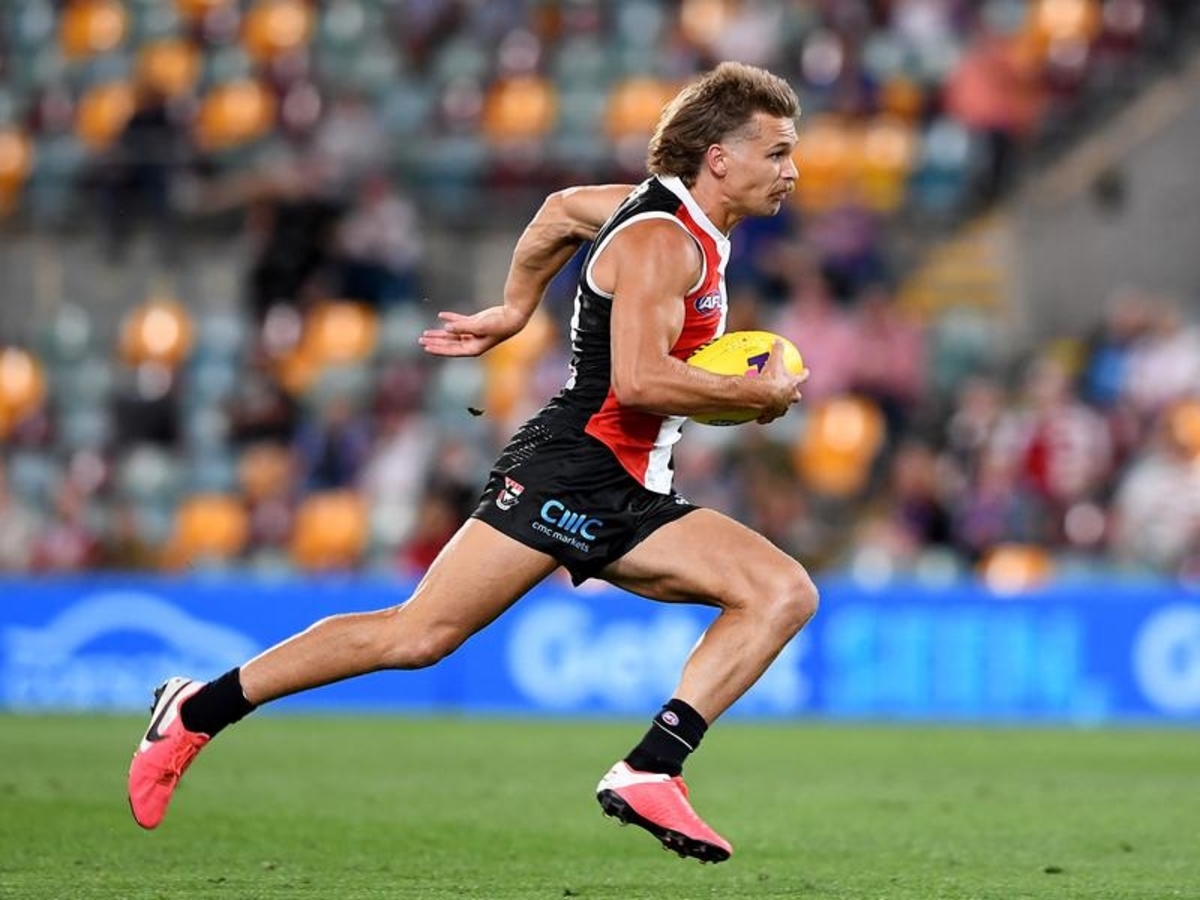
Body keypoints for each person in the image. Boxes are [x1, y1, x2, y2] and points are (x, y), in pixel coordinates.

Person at [127, 61, 817, 864]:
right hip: (577, 469)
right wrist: (749, 394)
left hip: (619, 480)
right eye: (777, 152)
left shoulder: (662, 215)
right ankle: (197, 710)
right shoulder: (664, 242)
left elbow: (560, 212)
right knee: (419, 635)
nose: (792, 171)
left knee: (774, 592)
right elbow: (638, 380)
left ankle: (652, 768)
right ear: (719, 159)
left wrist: (517, 307)